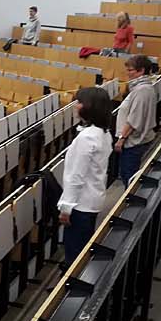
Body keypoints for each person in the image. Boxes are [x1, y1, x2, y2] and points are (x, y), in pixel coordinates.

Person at [57, 87, 114, 264]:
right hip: (92, 200)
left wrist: (66, 208)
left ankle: (69, 286)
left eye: (79, 102)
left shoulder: (87, 137)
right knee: (80, 246)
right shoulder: (103, 133)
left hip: (80, 204)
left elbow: (76, 177)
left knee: (74, 251)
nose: (76, 106)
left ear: (89, 107)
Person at [114, 56, 161, 186]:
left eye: (131, 70)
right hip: (135, 141)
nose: (128, 73)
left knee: (129, 177)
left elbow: (134, 119)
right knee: (127, 174)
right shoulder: (141, 88)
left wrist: (121, 139)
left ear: (141, 71)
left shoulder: (142, 90)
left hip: (134, 142)